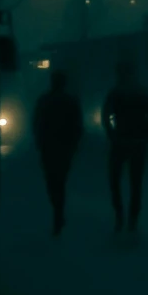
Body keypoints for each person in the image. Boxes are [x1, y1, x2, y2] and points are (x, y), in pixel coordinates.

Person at [101, 57, 148, 233]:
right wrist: (147, 136)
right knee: (136, 183)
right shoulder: (142, 92)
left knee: (115, 181)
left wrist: (112, 135)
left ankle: (120, 216)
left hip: (120, 142)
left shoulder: (115, 92)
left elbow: (105, 116)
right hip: (138, 142)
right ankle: (133, 219)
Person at [32, 69, 84, 236]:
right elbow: (78, 125)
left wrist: (39, 142)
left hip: (49, 146)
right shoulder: (71, 101)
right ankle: (58, 213)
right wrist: (75, 145)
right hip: (64, 147)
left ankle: (58, 212)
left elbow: (36, 122)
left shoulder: (44, 100)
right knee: (60, 181)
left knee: (52, 181)